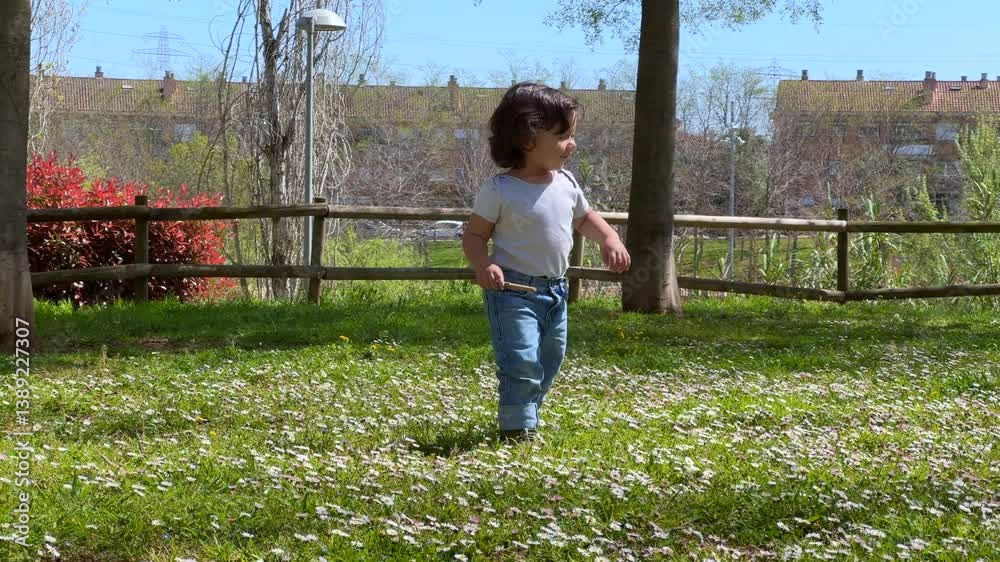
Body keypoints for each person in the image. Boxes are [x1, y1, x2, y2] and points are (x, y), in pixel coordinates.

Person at [462, 82, 631, 443]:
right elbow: (474, 235)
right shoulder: (500, 190)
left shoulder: (566, 182)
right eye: (564, 136)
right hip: (512, 291)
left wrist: (610, 239)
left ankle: (527, 414)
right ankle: (517, 429)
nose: (573, 144)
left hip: (556, 291)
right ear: (528, 139)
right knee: (521, 360)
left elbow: (585, 218)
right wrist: (483, 264)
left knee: (550, 360)